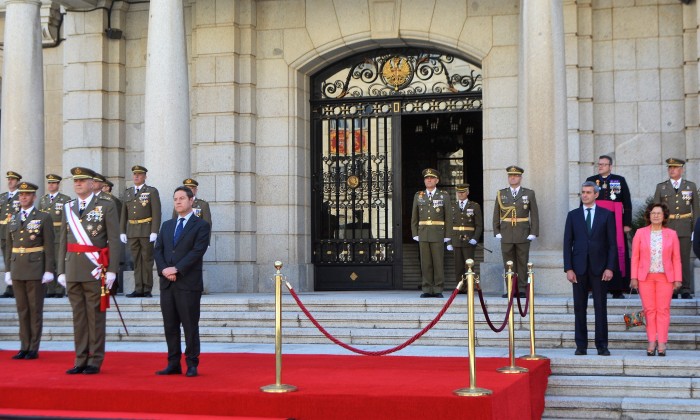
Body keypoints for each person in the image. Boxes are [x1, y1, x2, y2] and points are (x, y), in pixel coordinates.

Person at [57, 167, 120, 375]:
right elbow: (63, 242)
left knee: (95, 316)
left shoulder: (106, 206)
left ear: (92, 184)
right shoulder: (68, 207)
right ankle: (80, 358)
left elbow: (114, 240)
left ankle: (95, 359)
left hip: (94, 269)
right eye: (76, 181)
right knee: (79, 317)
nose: (78, 184)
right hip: (73, 269)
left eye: (82, 181)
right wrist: (61, 270)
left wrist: (112, 270)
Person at [154, 186, 211, 377]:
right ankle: (173, 363)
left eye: (182, 198)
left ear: (191, 200)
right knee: (170, 326)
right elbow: (159, 249)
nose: (178, 202)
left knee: (189, 325)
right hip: (167, 283)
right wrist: (164, 269)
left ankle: (192, 363)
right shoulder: (167, 225)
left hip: (188, 283)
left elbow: (197, 251)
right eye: (175, 199)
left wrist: (177, 269)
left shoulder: (201, 225)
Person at [563, 181, 617, 356]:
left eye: (588, 192)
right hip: (578, 268)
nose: (584, 195)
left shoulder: (607, 215)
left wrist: (610, 267)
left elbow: (612, 245)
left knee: (600, 307)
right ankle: (581, 345)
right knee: (580, 308)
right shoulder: (573, 215)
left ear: (596, 194)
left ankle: (602, 345)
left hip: (600, 268)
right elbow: (567, 244)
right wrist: (568, 268)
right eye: (582, 192)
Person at [5, 182, 55, 360]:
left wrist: (49, 269)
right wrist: (8, 270)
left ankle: (34, 346)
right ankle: (23, 346)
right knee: (22, 309)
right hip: (17, 267)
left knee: (35, 309)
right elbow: (9, 246)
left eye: (27, 194)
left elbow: (49, 246)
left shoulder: (43, 217)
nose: (23, 197)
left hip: (35, 268)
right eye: (21, 195)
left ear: (34, 197)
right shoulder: (13, 218)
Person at [630, 203, 682, 357]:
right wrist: (634, 277)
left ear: (664, 216)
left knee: (663, 310)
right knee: (649, 310)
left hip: (665, 278)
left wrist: (677, 279)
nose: (656, 215)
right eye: (653, 213)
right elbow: (635, 257)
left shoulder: (671, 234)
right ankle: (652, 341)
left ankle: (662, 343)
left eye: (659, 213)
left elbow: (676, 258)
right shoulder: (640, 233)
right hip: (645, 277)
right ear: (649, 215)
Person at [586, 155, 632, 299]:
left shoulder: (619, 180)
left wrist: (627, 224)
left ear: (610, 166)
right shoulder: (591, 180)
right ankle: (597, 288)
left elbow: (627, 203)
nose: (601, 167)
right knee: (597, 251)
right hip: (597, 221)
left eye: (604, 164)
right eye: (599, 164)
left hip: (616, 221)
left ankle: (617, 289)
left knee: (617, 251)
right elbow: (585, 201)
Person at [653, 158, 699, 299]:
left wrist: (695, 229)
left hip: (685, 226)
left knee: (684, 258)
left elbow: (696, 209)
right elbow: (656, 209)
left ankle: (685, 288)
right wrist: (657, 228)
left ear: (682, 170)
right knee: (668, 258)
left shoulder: (690, 186)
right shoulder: (661, 187)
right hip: (668, 227)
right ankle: (671, 287)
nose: (671, 170)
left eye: (675, 167)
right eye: (670, 168)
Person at [493, 165, 539, 297]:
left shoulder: (528, 193)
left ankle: (522, 289)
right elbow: (496, 213)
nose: (512, 178)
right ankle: (510, 289)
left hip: (523, 231)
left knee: (522, 261)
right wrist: (496, 231)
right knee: (508, 262)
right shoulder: (501, 193)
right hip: (506, 231)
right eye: (510, 176)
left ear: (520, 177)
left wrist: (533, 232)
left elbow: (534, 214)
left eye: (515, 176)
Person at [411, 168, 452, 298]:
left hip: (438, 233)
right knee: (425, 263)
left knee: (438, 262)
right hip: (423, 233)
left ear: (437, 180)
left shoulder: (443, 195)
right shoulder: (418, 195)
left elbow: (448, 217)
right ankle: (427, 288)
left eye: (431, 178)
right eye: (426, 178)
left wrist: (448, 235)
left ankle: (438, 288)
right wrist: (414, 232)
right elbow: (414, 216)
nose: (429, 180)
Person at [120, 165, 161, 298]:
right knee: (136, 261)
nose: (136, 176)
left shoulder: (151, 191)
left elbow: (156, 212)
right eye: (134, 174)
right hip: (132, 231)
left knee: (147, 260)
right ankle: (138, 288)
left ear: (145, 176)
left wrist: (154, 231)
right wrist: (122, 231)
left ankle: (147, 288)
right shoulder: (128, 192)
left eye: (139, 174)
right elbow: (123, 214)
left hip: (146, 230)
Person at [37, 174, 72, 298]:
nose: (51, 185)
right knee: (49, 262)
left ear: (58, 185)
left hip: (58, 234)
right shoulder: (43, 200)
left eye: (53, 183)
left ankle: (59, 289)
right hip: (47, 235)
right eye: (49, 183)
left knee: (59, 262)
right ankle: (50, 289)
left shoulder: (65, 199)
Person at [449, 183, 483, 287]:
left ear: (467, 192)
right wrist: (449, 242)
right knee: (458, 266)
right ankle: (460, 287)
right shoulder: (452, 206)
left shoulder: (474, 206)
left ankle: (469, 287)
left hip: (468, 239)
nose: (460, 194)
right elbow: (449, 225)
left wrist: (475, 238)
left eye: (463, 192)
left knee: (469, 265)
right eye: (459, 192)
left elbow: (479, 225)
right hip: (456, 239)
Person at [0, 171, 22, 299]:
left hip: (15, 233)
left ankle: (15, 286)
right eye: (9, 179)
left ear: (18, 182)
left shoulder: (21, 196)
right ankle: (10, 285)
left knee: (15, 259)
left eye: (13, 180)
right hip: (3, 232)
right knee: (7, 259)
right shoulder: (3, 197)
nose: (10, 182)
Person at [172, 178, 212, 244]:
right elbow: (174, 221)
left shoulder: (202, 204)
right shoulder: (179, 203)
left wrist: (206, 241)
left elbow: (207, 224)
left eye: (191, 188)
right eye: (186, 188)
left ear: (196, 190)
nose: (189, 190)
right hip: (180, 238)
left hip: (196, 239)